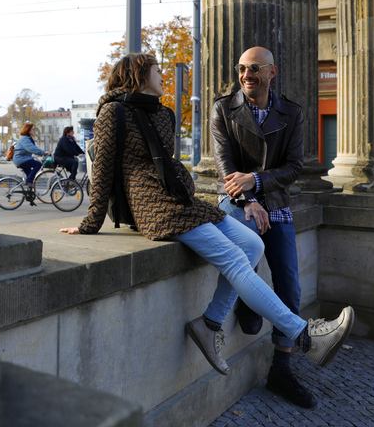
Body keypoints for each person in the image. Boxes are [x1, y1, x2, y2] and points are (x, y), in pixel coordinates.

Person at [60, 52, 354, 379]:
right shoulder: (112, 112)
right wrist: (90, 223)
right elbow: (101, 171)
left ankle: (209, 323)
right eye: (158, 71)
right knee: (233, 257)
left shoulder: (162, 113)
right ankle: (306, 335)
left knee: (253, 246)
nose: (163, 77)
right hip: (152, 205)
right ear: (141, 76)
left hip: (180, 199)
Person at [211, 46, 316, 408]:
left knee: (290, 282)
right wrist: (247, 198)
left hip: (275, 201)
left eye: (254, 68)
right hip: (239, 203)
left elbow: (295, 167)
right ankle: (247, 301)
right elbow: (224, 167)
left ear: (272, 72)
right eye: (241, 68)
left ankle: (282, 369)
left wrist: (256, 181)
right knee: (246, 249)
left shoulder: (292, 112)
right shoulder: (224, 108)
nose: (246, 74)